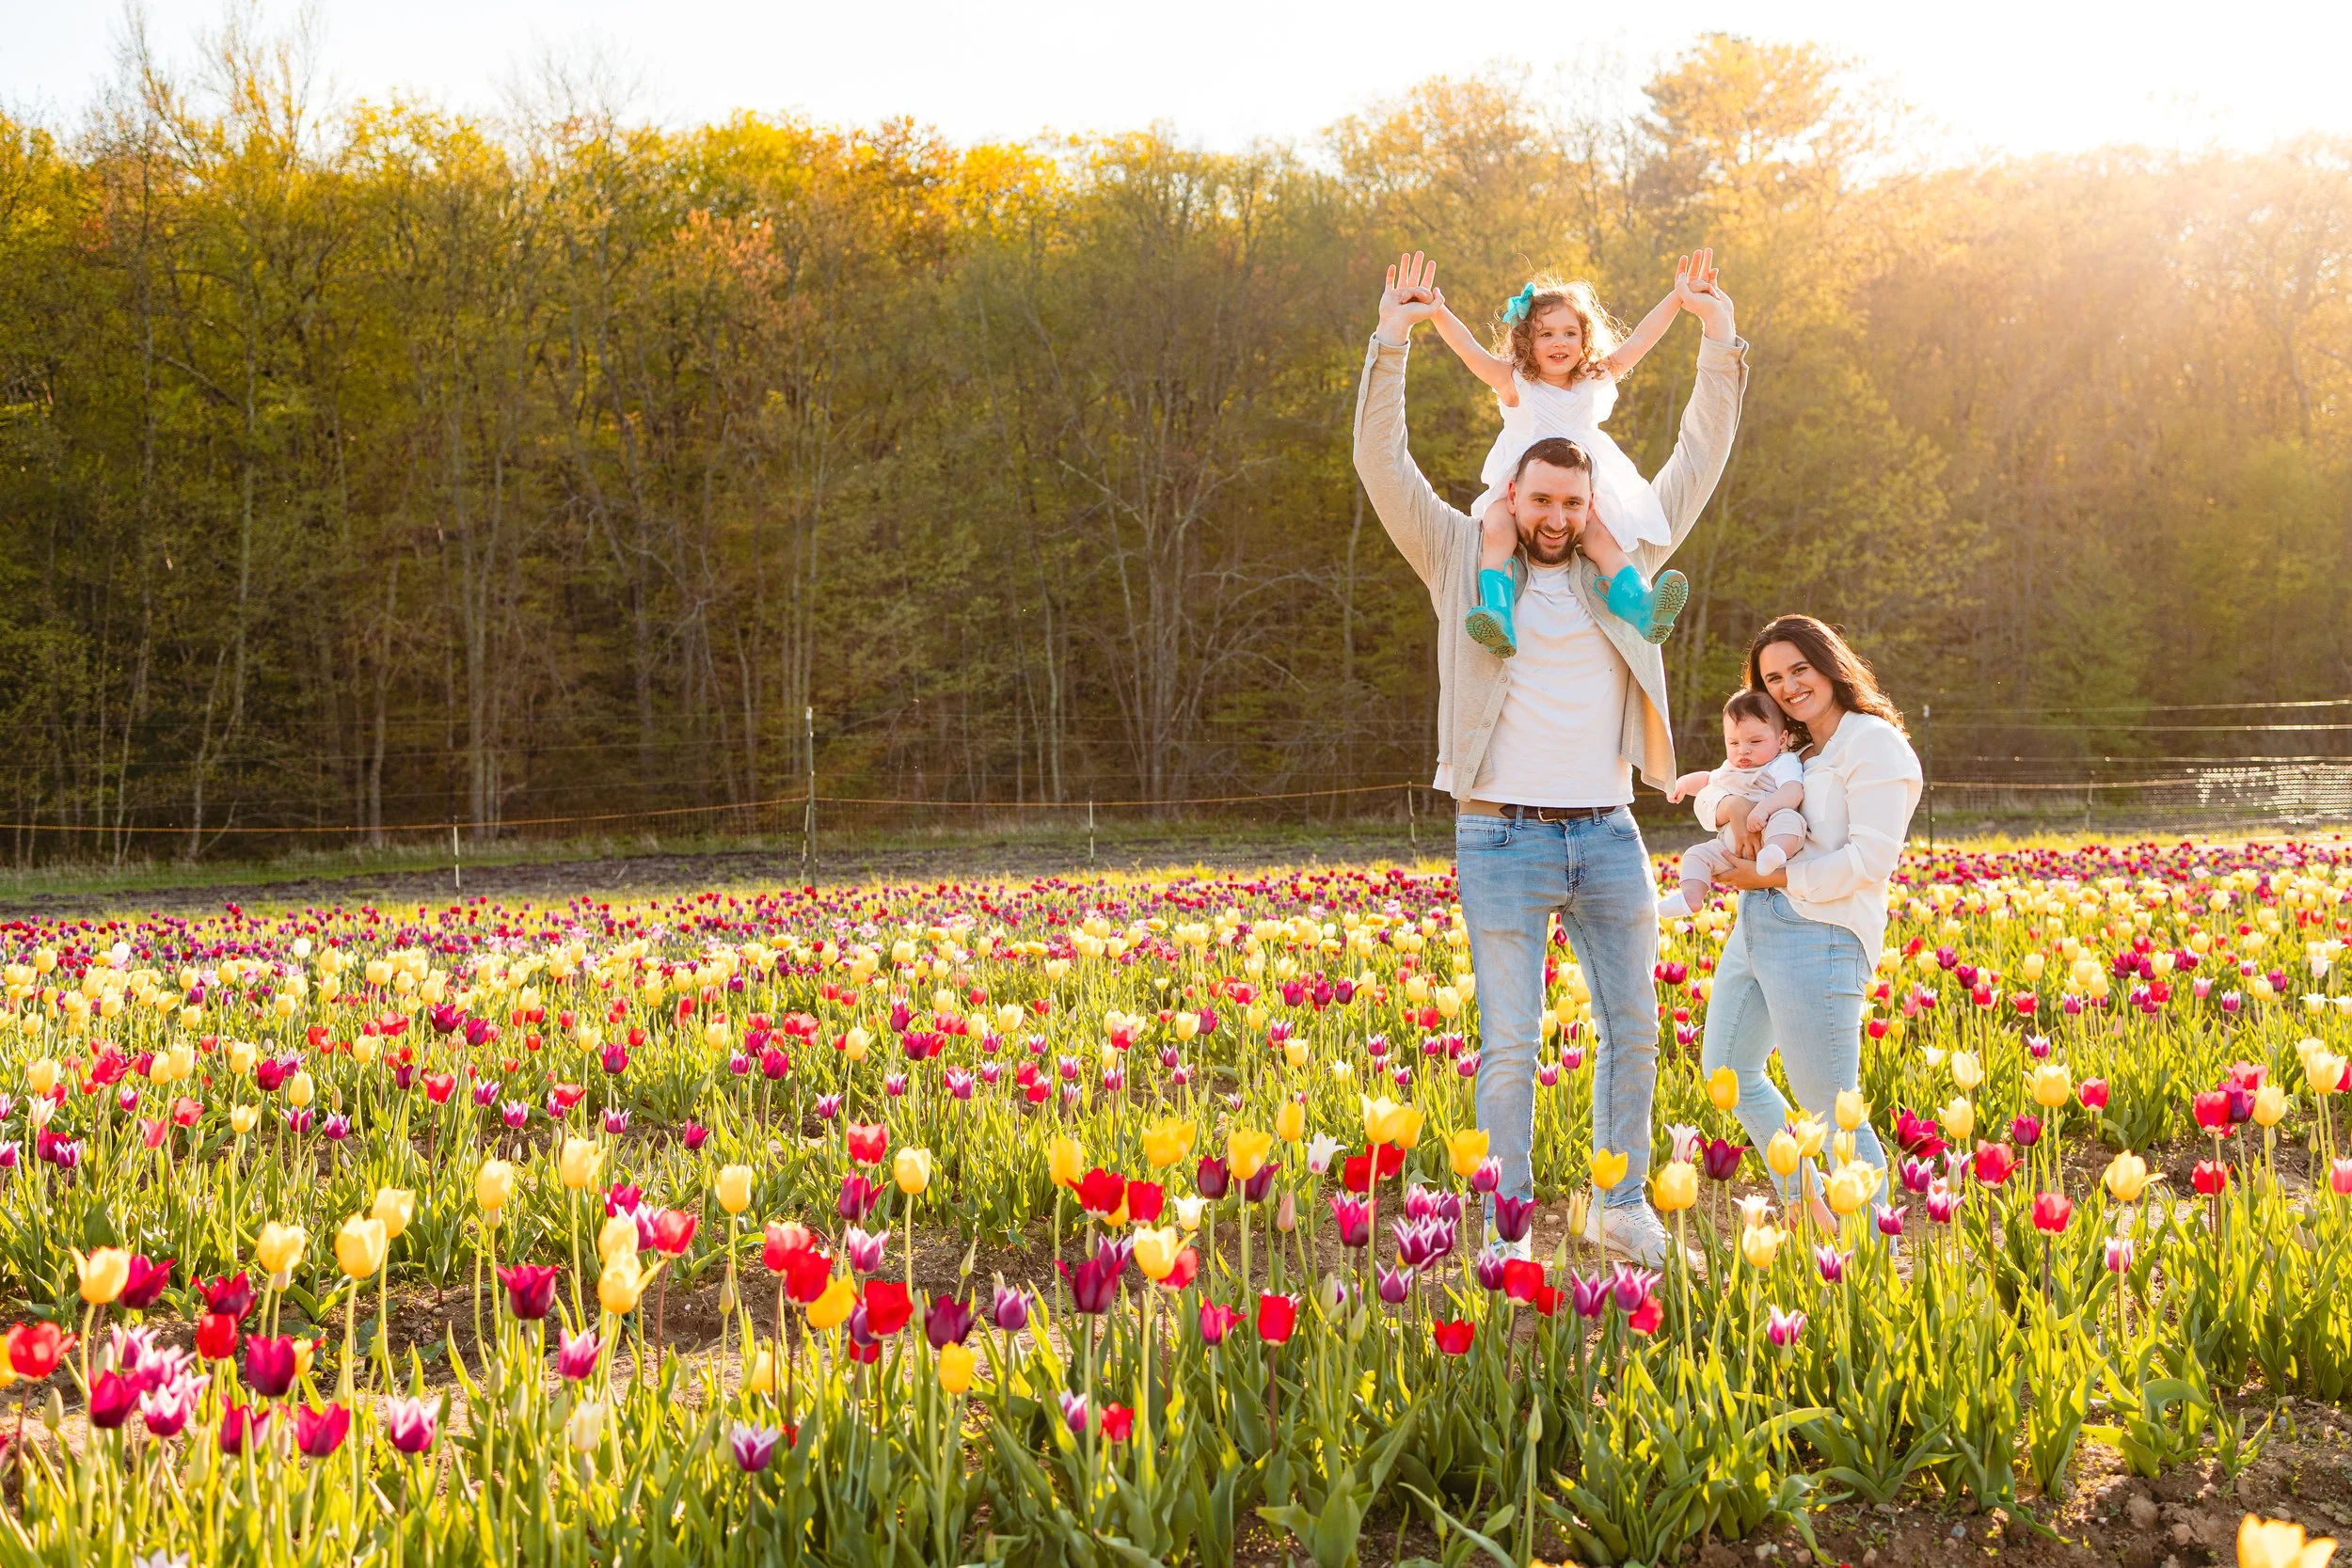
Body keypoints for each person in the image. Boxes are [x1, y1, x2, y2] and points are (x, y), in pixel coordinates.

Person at [1354, 250, 1748, 1267]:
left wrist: (1718, 336)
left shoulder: (1624, 564)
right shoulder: (1458, 555)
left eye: (1572, 505)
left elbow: (1699, 455)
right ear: (1513, 493)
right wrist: (1392, 340)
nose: (1557, 518)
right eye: (1540, 503)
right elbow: (1380, 465)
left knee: (1635, 1029)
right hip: (1500, 833)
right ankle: (1510, 1225)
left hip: (1609, 831)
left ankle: (1622, 1206)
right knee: (1510, 1046)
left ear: (1588, 503)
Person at [1695, 614, 1923, 1229]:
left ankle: (1875, 1252)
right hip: (1757, 923)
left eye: (1800, 667)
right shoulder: (1792, 749)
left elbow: (1870, 861)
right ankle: (1807, 1200)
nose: (1790, 685)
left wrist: (1774, 877)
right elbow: (1714, 788)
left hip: (1820, 932)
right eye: (1774, 677)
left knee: (1830, 1106)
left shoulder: (1873, 744)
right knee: (1727, 1072)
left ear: (1831, 663)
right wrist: (1733, 803)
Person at [1418, 261, 1712, 655]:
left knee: (1603, 539)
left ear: (1584, 338)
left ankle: (1642, 607)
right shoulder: (1516, 382)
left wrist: (1677, 299)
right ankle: (1497, 614)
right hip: (1522, 491)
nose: (1560, 342)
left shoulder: (1592, 381)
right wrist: (1437, 310)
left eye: (1570, 333)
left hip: (1581, 492)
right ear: (1527, 342)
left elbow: (1641, 339)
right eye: (1547, 334)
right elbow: (1469, 349)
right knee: (1496, 529)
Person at [1658, 690, 1807, 921]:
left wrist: (1765, 809)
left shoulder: (1781, 763)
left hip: (1771, 830)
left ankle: (1774, 852)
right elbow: (1708, 779)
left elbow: (1793, 791)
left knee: (1789, 819)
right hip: (1731, 847)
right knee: (1697, 854)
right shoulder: (1730, 768)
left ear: (1782, 739)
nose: (1743, 750)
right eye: (1733, 742)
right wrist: (1684, 784)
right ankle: (1690, 897)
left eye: (1755, 742)